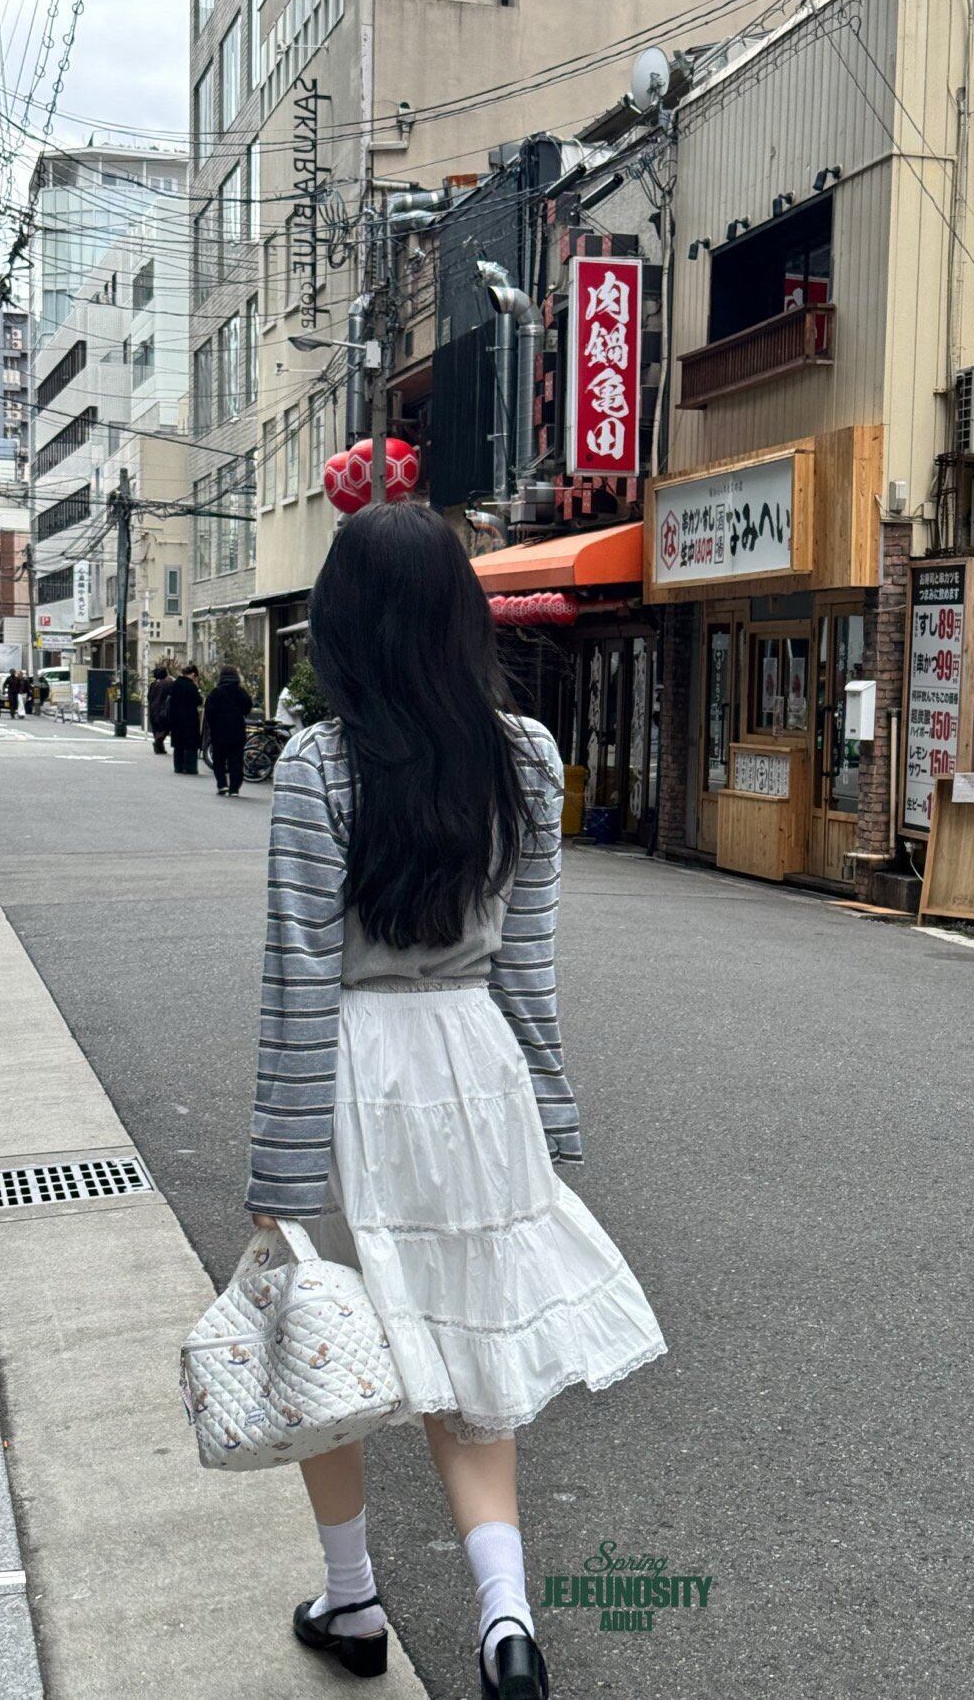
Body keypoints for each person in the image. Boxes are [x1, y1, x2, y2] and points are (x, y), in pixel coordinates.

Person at [245, 503, 665, 1695]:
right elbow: (527, 963)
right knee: (469, 1339)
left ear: (342, 623)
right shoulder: (523, 755)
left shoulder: (317, 765)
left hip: (355, 1070)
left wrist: (279, 1180)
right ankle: (505, 1621)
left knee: (322, 1335)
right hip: (477, 1067)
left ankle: (352, 1598)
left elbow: (298, 976)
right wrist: (549, 1108)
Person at [202, 664, 252, 795]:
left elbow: (209, 712)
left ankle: (222, 784)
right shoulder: (240, 692)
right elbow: (247, 707)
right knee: (236, 760)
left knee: (219, 759)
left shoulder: (215, 692)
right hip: (237, 730)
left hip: (219, 731)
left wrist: (212, 726)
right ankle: (234, 788)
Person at [167, 663, 203, 774]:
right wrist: (197, 687)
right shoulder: (191, 686)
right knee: (191, 744)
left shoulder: (175, 684)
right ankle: (190, 767)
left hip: (176, 718)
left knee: (178, 744)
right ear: (193, 675)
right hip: (189, 718)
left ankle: (178, 767)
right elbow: (199, 701)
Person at [147, 665, 174, 755]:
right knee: (166, 728)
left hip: (153, 708)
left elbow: (149, 697)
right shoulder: (169, 683)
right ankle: (158, 742)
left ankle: (159, 748)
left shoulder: (153, 684)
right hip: (164, 709)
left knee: (156, 728)